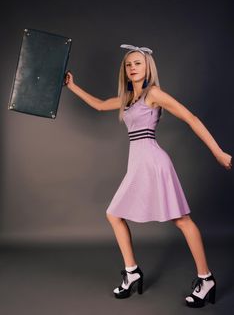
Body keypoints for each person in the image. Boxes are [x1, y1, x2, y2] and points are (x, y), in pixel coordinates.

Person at [64, 44, 232, 308]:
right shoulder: (128, 97)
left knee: (181, 220)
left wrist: (219, 152)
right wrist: (72, 85)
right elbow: (98, 105)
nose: (132, 68)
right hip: (137, 164)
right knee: (114, 214)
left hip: (154, 163)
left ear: (147, 67)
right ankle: (132, 273)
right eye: (129, 65)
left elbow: (191, 117)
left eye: (137, 63)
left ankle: (206, 278)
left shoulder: (154, 93)